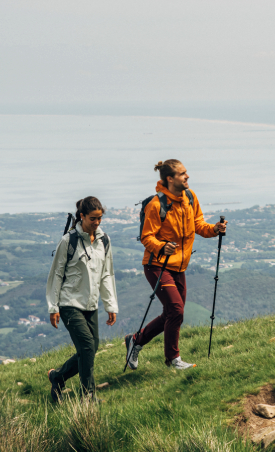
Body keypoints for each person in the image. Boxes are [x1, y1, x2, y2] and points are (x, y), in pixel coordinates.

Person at [125, 159, 227, 370]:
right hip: (157, 266)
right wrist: (162, 248)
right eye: (182, 174)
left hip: (179, 268)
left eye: (186, 172)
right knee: (176, 311)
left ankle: (135, 340)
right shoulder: (157, 204)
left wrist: (215, 229)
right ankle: (173, 360)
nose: (187, 176)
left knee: (172, 313)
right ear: (170, 179)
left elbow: (199, 225)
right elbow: (146, 237)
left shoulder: (189, 197)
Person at [46, 196, 118, 402]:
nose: (96, 223)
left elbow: (107, 274)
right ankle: (88, 395)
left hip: (91, 304)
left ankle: (58, 377)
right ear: (82, 217)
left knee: (91, 348)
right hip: (69, 303)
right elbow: (56, 274)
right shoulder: (68, 241)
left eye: (99, 219)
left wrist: (110, 305)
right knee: (87, 346)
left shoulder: (104, 240)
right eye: (93, 218)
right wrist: (53, 307)